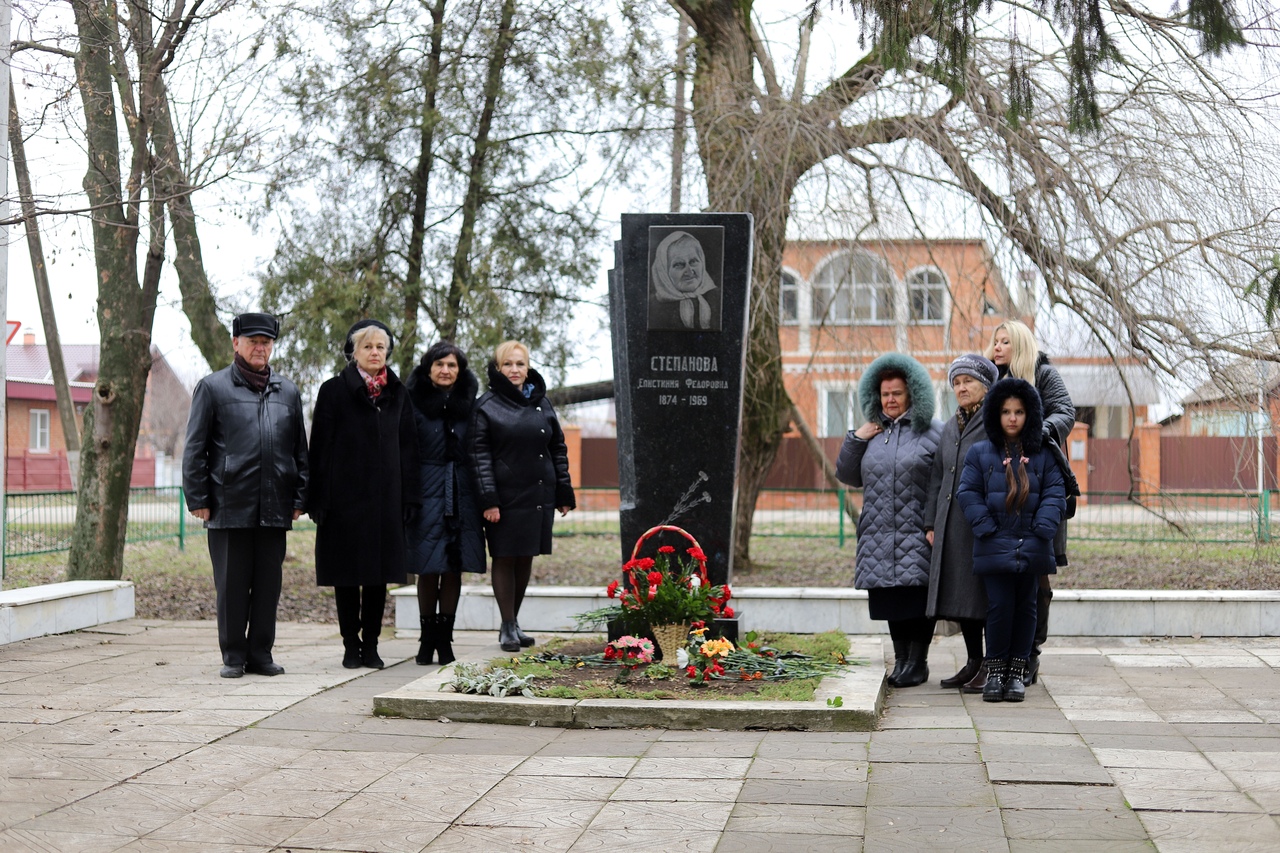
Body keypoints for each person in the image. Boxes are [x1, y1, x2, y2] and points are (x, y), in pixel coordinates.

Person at [183, 312, 309, 679]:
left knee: (269, 584)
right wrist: (198, 498)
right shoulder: (213, 388)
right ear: (236, 343)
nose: (260, 348)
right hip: (228, 504)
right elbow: (195, 450)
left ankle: (261, 653)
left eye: (266, 342)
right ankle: (234, 655)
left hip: (274, 504)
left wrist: (300, 496)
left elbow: (299, 450)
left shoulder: (287, 391)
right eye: (253, 341)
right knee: (232, 584)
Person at [307, 320, 420, 669]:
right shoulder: (333, 391)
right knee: (346, 575)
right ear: (353, 352)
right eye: (368, 347)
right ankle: (349, 645)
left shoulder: (398, 392)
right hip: (344, 502)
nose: (375, 352)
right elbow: (320, 449)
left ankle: (370, 645)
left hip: (386, 502)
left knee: (377, 577)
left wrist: (411, 498)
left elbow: (409, 448)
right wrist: (317, 499)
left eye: (380, 347)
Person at [835, 353, 942, 688]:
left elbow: (943, 482)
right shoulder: (871, 434)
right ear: (875, 396)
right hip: (879, 532)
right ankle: (901, 661)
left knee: (917, 598)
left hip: (917, 531)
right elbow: (847, 475)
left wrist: (934, 524)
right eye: (885, 394)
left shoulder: (933, 433)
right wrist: (856, 438)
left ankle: (918, 663)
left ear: (911, 394)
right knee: (891, 598)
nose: (891, 399)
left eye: (897, 393)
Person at [957, 377, 1067, 702]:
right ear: (996, 414)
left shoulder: (1044, 453)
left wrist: (1043, 528)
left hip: (1033, 543)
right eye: (1006, 411)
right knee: (1000, 607)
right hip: (994, 544)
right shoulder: (980, 453)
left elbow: (1055, 492)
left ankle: (1018, 672)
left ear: (1029, 414)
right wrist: (986, 527)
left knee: (1026, 607)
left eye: (1019, 411)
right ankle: (995, 671)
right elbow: (968, 492)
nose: (1013, 418)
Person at [985, 319, 1076, 684]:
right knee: (1001, 571)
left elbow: (1066, 413)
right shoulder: (992, 378)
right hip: (999, 487)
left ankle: (1030, 655)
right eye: (994, 341)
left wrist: (1035, 430)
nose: (997, 348)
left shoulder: (1045, 375)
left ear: (1020, 345)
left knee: (1037, 572)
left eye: (1005, 342)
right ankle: (997, 658)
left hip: (1040, 484)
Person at [471, 340, 576, 652]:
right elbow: (479, 457)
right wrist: (489, 500)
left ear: (527, 367)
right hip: (504, 497)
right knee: (504, 556)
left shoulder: (541, 403)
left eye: (520, 364)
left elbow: (557, 447)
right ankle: (506, 627)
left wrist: (563, 490)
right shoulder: (486, 406)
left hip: (538, 494)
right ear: (498, 368)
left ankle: (514, 622)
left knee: (526, 555)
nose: (514, 370)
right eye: (508, 364)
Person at [405, 341, 486, 666]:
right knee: (428, 566)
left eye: (452, 365)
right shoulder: (412, 404)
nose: (445, 371)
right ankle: (427, 640)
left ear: (460, 370)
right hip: (426, 491)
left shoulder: (472, 405)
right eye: (440, 365)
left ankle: (445, 639)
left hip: (462, 490)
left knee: (454, 567)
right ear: (429, 368)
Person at [924, 354, 1000, 693]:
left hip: (982, 523)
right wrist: (931, 522)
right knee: (961, 595)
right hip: (950, 523)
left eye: (968, 380)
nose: (961, 387)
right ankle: (973, 661)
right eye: (956, 382)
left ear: (985, 385)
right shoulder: (950, 425)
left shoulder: (995, 421)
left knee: (981, 596)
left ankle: (990, 663)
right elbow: (937, 477)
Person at [648, 230, 721, 331]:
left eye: (693, 261)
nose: (689, 271)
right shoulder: (653, 308)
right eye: (679, 264)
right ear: (663, 271)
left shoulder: (719, 298)